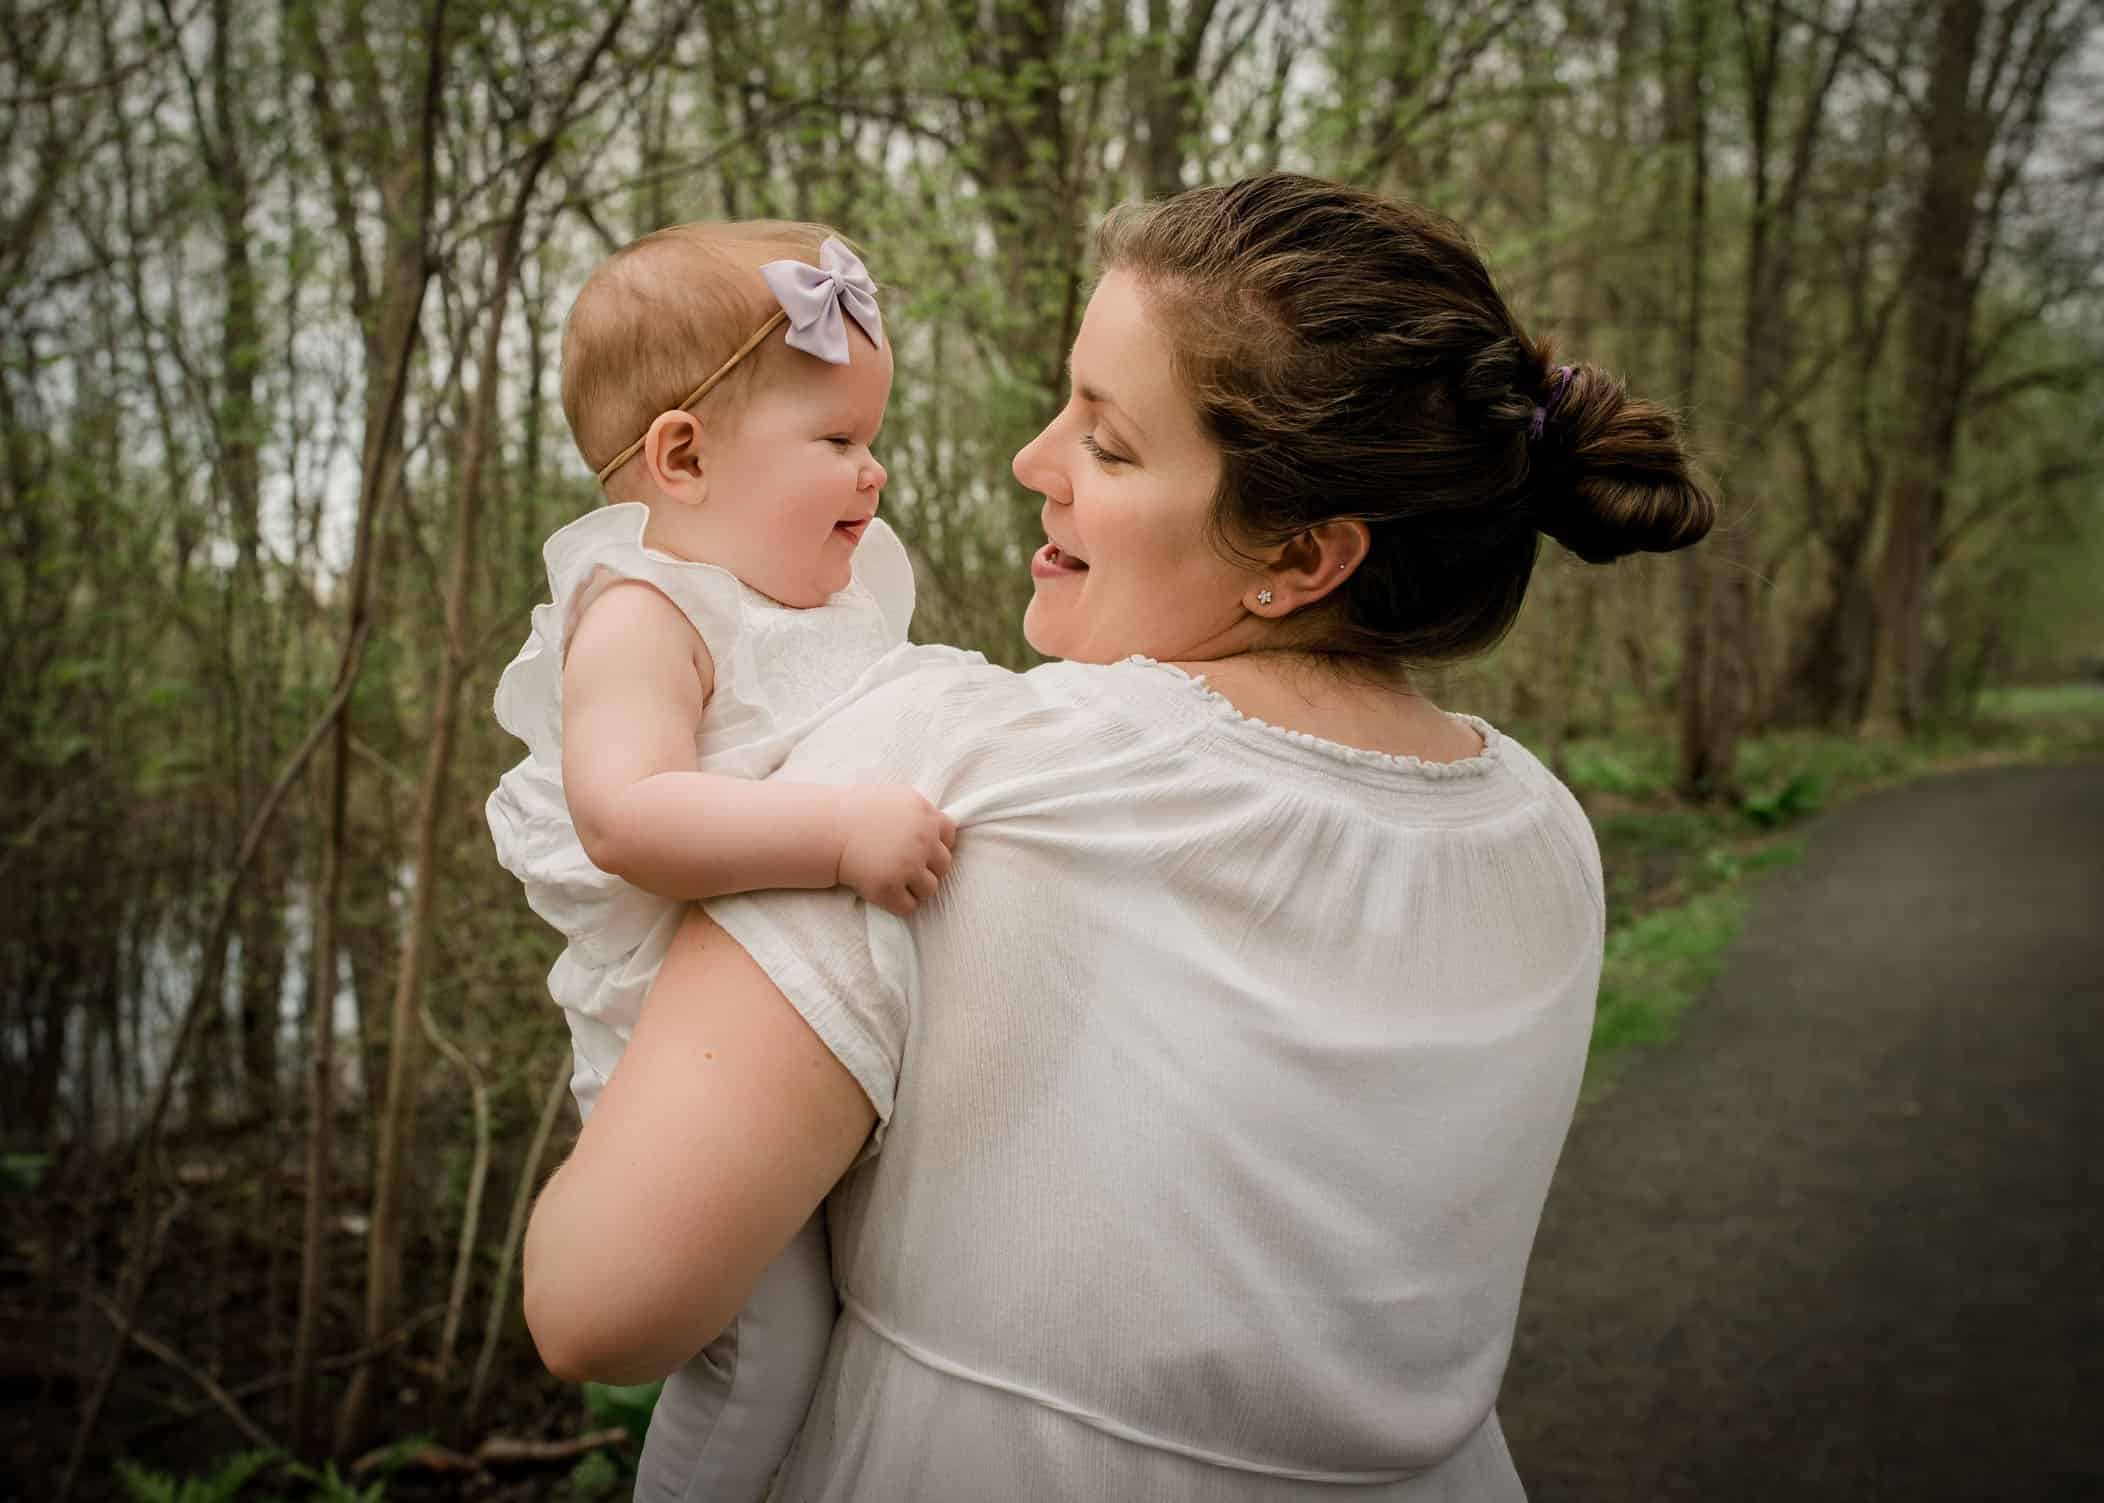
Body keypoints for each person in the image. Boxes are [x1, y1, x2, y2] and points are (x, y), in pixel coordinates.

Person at [523, 172, 1717, 1500]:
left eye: (1108, 441)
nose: (1031, 463)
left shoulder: (948, 765)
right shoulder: (1546, 834)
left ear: (1305, 550)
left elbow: (598, 1308)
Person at [486, 221, 958, 1503]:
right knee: (759, 1349)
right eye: (837, 442)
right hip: (668, 1045)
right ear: (684, 456)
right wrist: (840, 833)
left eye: (871, 440)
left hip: (802, 1027)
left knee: (848, 1334)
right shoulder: (642, 613)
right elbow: (627, 815)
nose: (871, 477)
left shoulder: (806, 587)